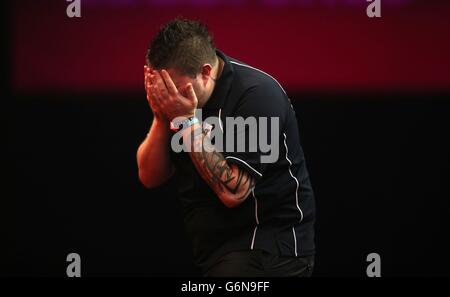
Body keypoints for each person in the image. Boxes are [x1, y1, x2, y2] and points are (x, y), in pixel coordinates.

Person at [137, 18, 315, 277]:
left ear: (206, 72)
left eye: (173, 88)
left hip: (269, 248)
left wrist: (186, 121)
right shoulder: (177, 102)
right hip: (215, 250)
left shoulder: (257, 95)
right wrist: (161, 116)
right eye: (161, 88)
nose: (168, 96)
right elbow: (150, 176)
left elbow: (234, 192)